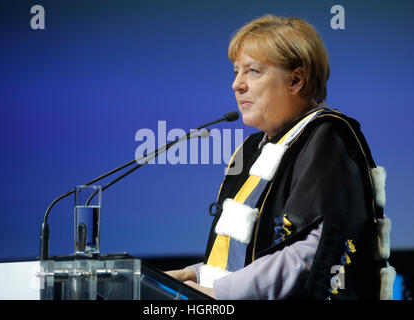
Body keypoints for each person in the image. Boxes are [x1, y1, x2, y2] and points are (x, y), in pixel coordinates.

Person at [166, 14, 394, 300]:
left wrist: (218, 292)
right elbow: (247, 256)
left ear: (296, 80)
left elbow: (310, 253)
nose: (237, 84)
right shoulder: (251, 149)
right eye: (236, 71)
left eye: (253, 71)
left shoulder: (328, 136)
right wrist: (194, 275)